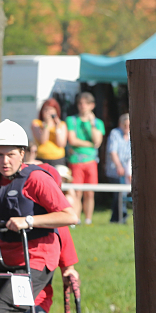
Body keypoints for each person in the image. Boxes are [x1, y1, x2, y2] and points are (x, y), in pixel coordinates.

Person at [0, 119, 79, 313]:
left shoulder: (37, 179)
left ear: (22, 153)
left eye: (10, 154)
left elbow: (69, 217)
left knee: (1, 308)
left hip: (35, 262)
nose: (5, 161)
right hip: (3, 261)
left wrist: (28, 221)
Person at [66, 92, 104, 225]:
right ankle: (76, 219)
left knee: (90, 193)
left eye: (85, 103)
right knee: (77, 192)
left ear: (92, 105)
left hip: (91, 162)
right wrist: (89, 144)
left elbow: (97, 141)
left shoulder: (98, 123)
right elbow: (72, 140)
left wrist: (92, 124)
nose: (82, 106)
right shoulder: (72, 120)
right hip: (76, 161)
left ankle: (88, 219)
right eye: (80, 103)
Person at [105, 113, 131, 224]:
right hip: (115, 170)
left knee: (122, 194)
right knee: (119, 194)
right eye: (125, 125)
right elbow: (113, 152)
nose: (127, 128)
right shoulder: (115, 134)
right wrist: (119, 166)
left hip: (128, 171)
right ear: (120, 124)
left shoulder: (131, 135)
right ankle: (119, 216)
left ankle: (118, 217)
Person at [30, 98, 67, 167]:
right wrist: (47, 125)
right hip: (42, 158)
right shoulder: (36, 123)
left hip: (57, 159)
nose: (48, 112)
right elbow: (43, 141)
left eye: (51, 110)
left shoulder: (61, 124)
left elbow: (61, 144)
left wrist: (57, 128)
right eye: (46, 110)